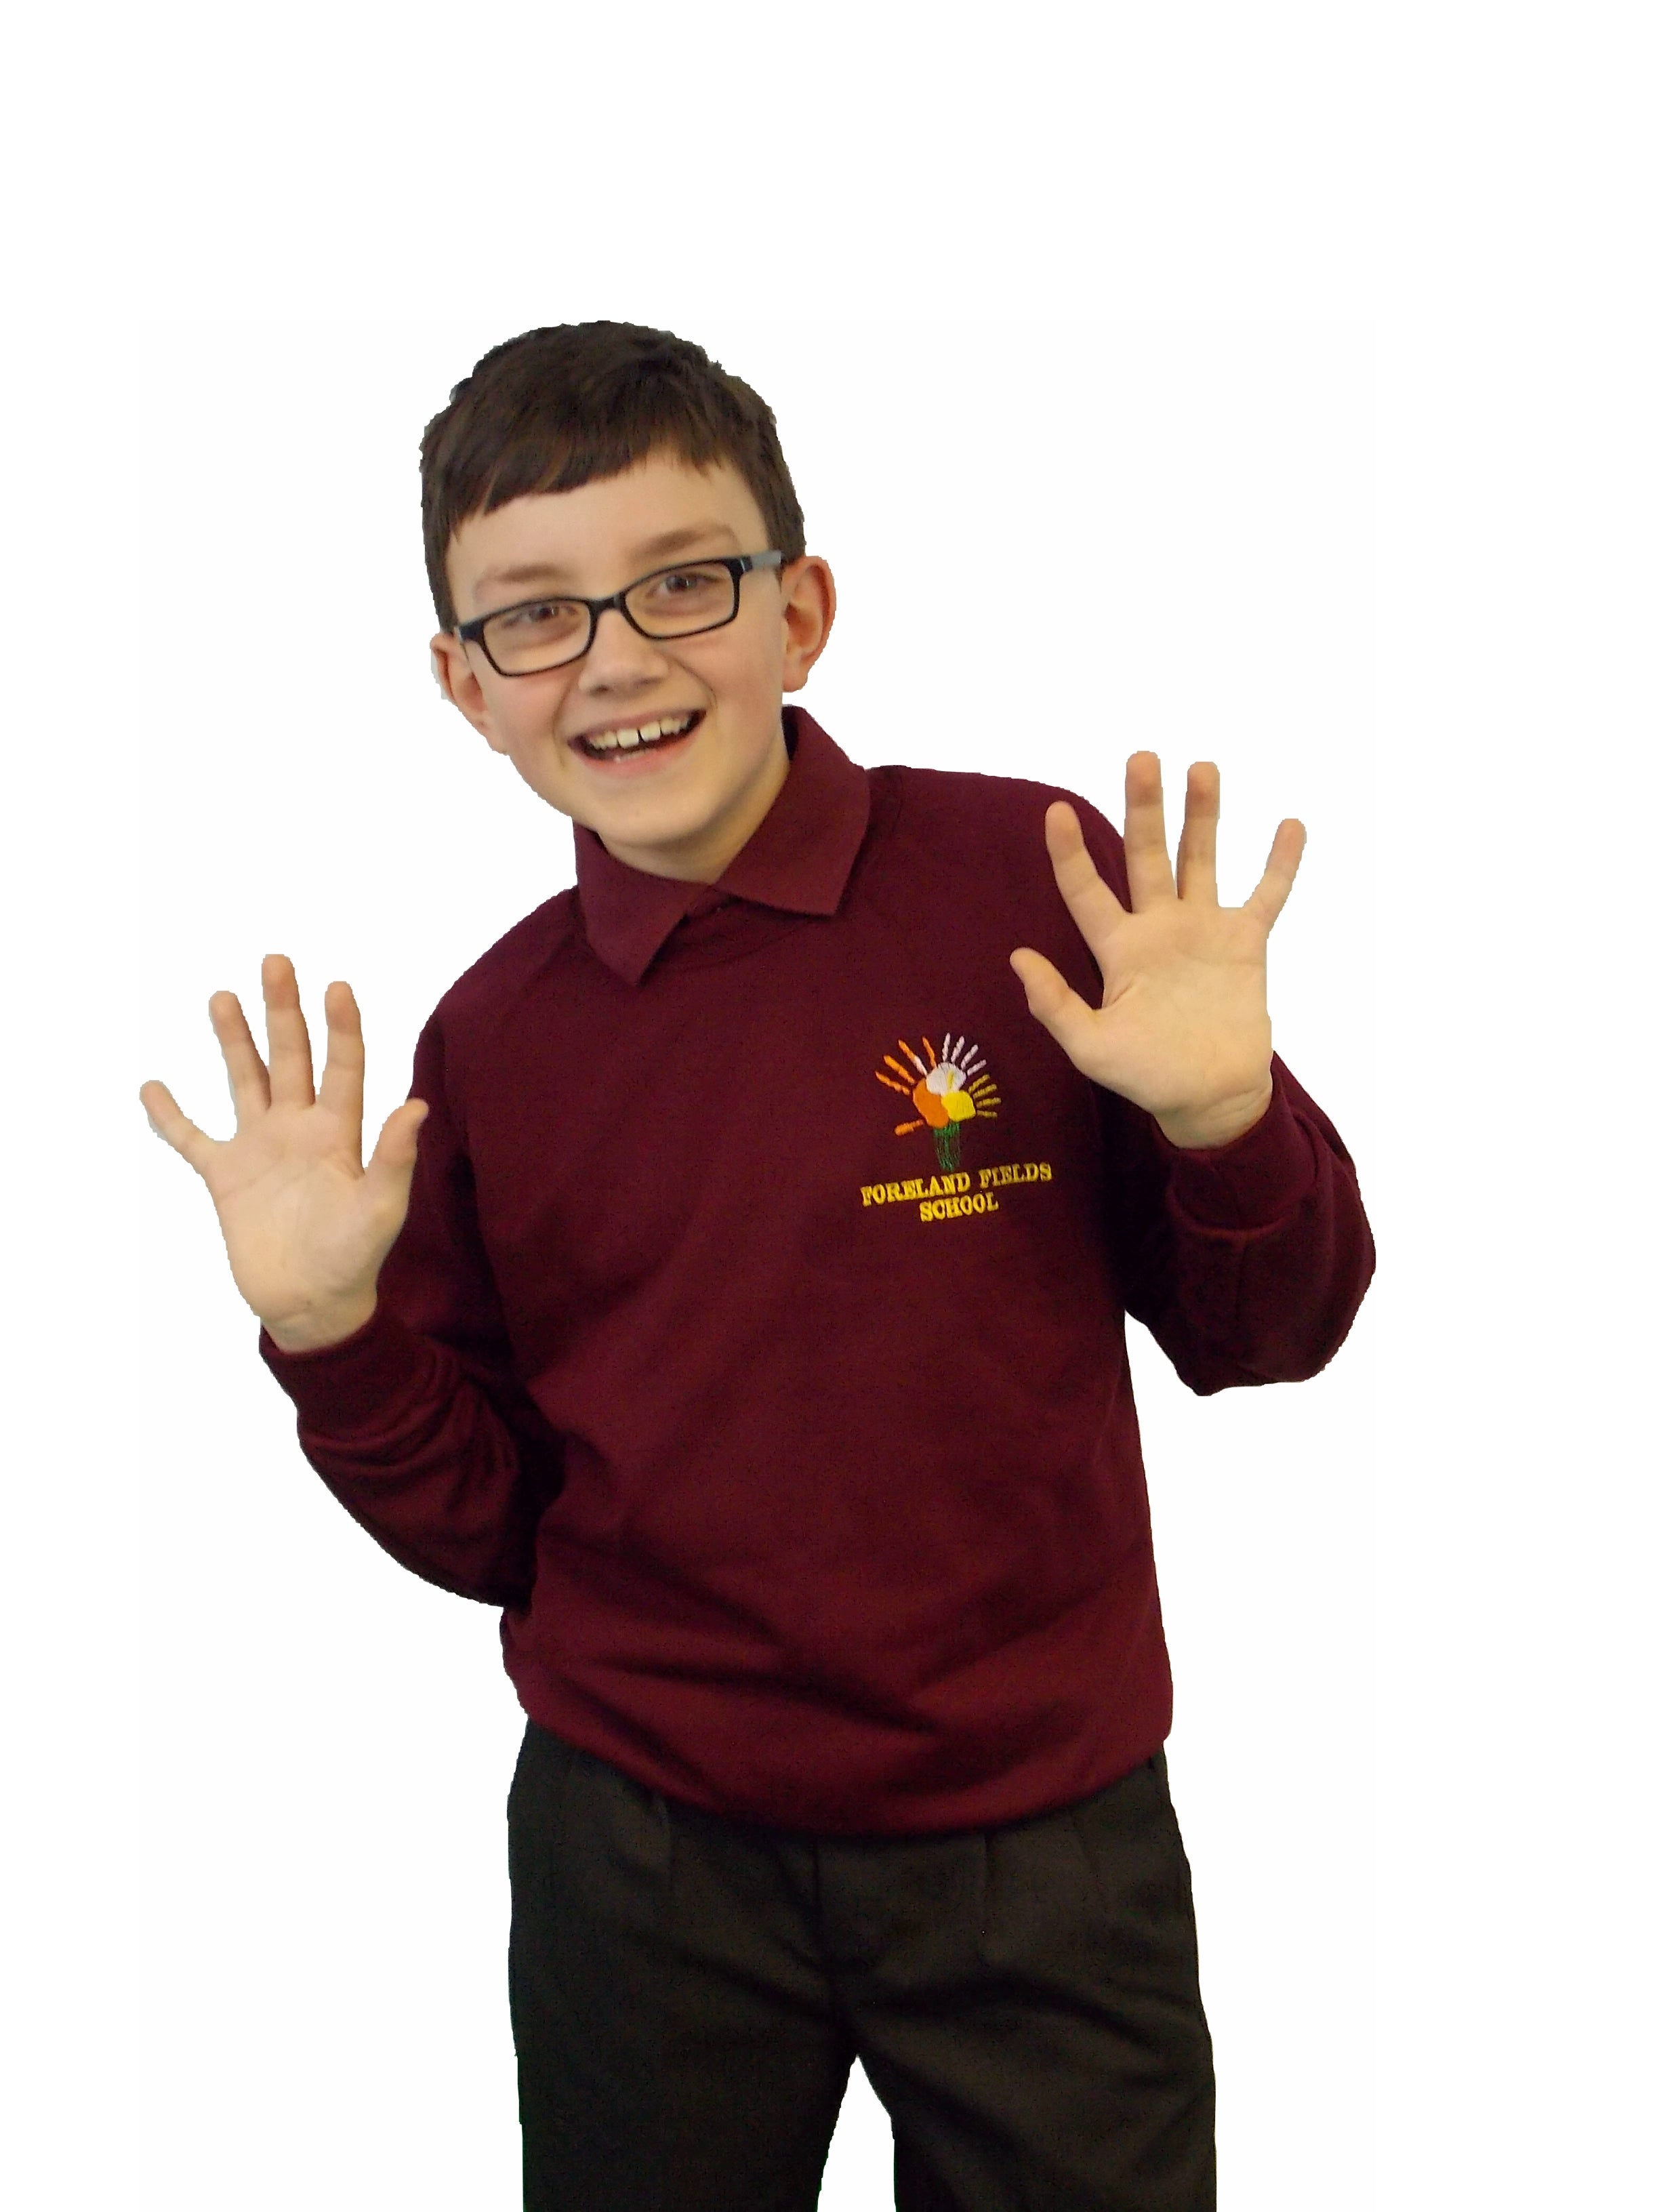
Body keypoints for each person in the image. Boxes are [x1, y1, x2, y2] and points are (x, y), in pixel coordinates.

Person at [140, 321, 1374, 2212]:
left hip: (1044, 1839)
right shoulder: (491, 1045)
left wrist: (1226, 1118)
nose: (617, 658)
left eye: (683, 583)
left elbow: (1272, 1337)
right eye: (533, 617)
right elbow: (493, 1531)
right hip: (644, 1862)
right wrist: (329, 1338)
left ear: (799, 612)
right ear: (464, 687)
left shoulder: (1033, 891)